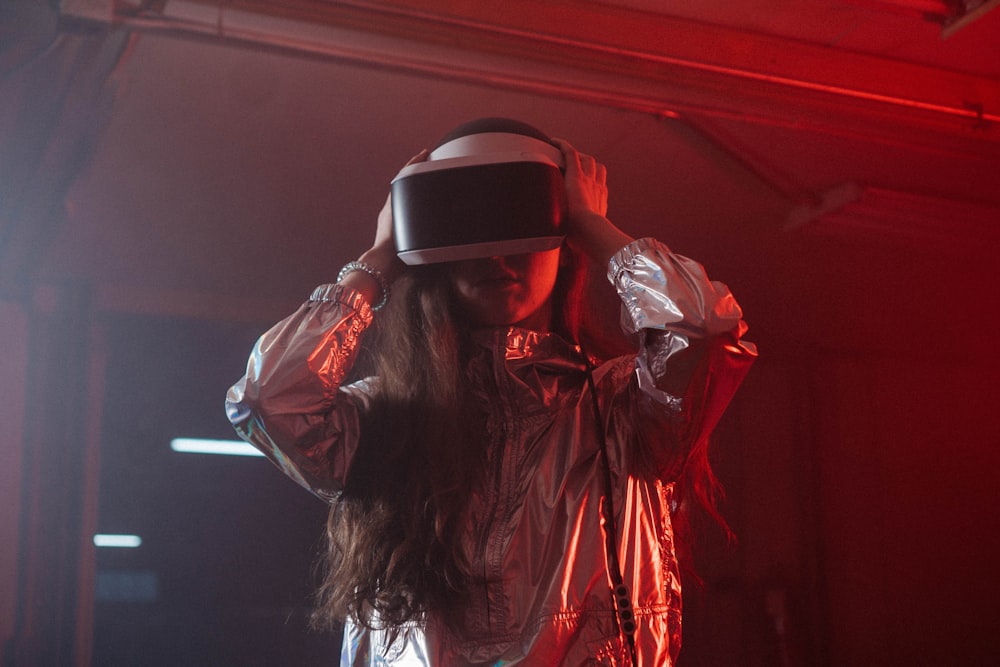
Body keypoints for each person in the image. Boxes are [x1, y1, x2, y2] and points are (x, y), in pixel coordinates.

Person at [226, 118, 757, 666]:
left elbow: (704, 330)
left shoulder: (622, 411)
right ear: (434, 254)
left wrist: (594, 228)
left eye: (519, 227)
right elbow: (268, 399)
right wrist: (381, 257)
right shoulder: (384, 417)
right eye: (467, 234)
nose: (495, 257)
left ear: (562, 244)